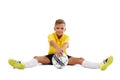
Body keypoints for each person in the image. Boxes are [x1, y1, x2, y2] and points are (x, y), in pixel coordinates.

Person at [8, 19, 113, 70]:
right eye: (57, 28)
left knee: (80, 59)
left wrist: (61, 50)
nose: (59, 30)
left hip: (63, 57)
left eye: (62, 28)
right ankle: (21, 65)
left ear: (65, 29)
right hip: (51, 57)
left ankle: (101, 65)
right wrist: (57, 49)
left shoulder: (67, 36)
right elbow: (52, 43)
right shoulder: (51, 35)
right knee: (37, 58)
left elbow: (66, 45)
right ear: (54, 28)